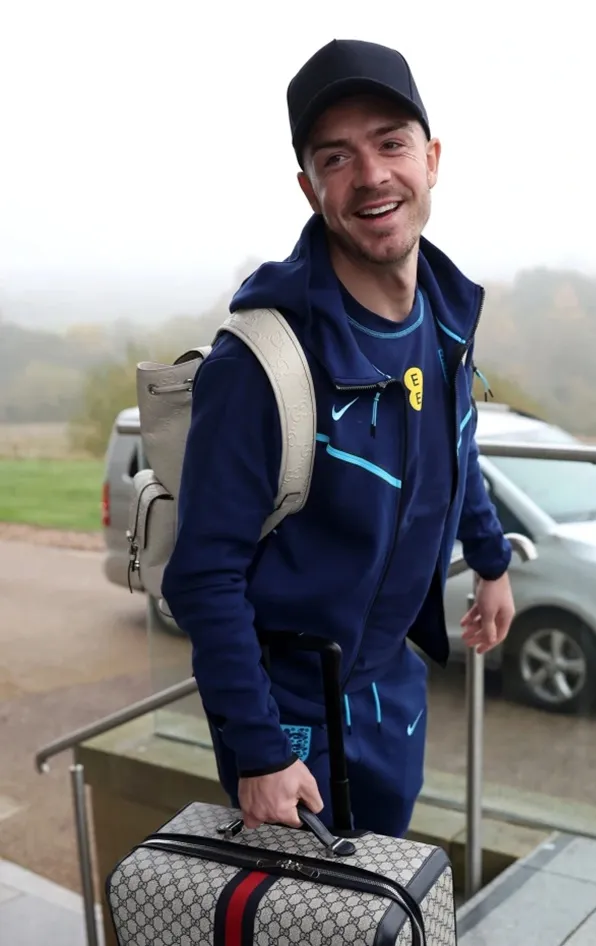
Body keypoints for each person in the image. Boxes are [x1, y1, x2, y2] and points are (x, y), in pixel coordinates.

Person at [161, 38, 515, 839]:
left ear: (431, 157)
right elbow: (203, 576)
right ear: (309, 187)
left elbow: (455, 450)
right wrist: (257, 754)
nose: (373, 175)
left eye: (391, 143)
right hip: (290, 724)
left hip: (395, 689)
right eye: (337, 157)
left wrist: (491, 563)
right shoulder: (261, 363)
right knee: (306, 921)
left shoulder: (445, 315)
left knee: (383, 899)